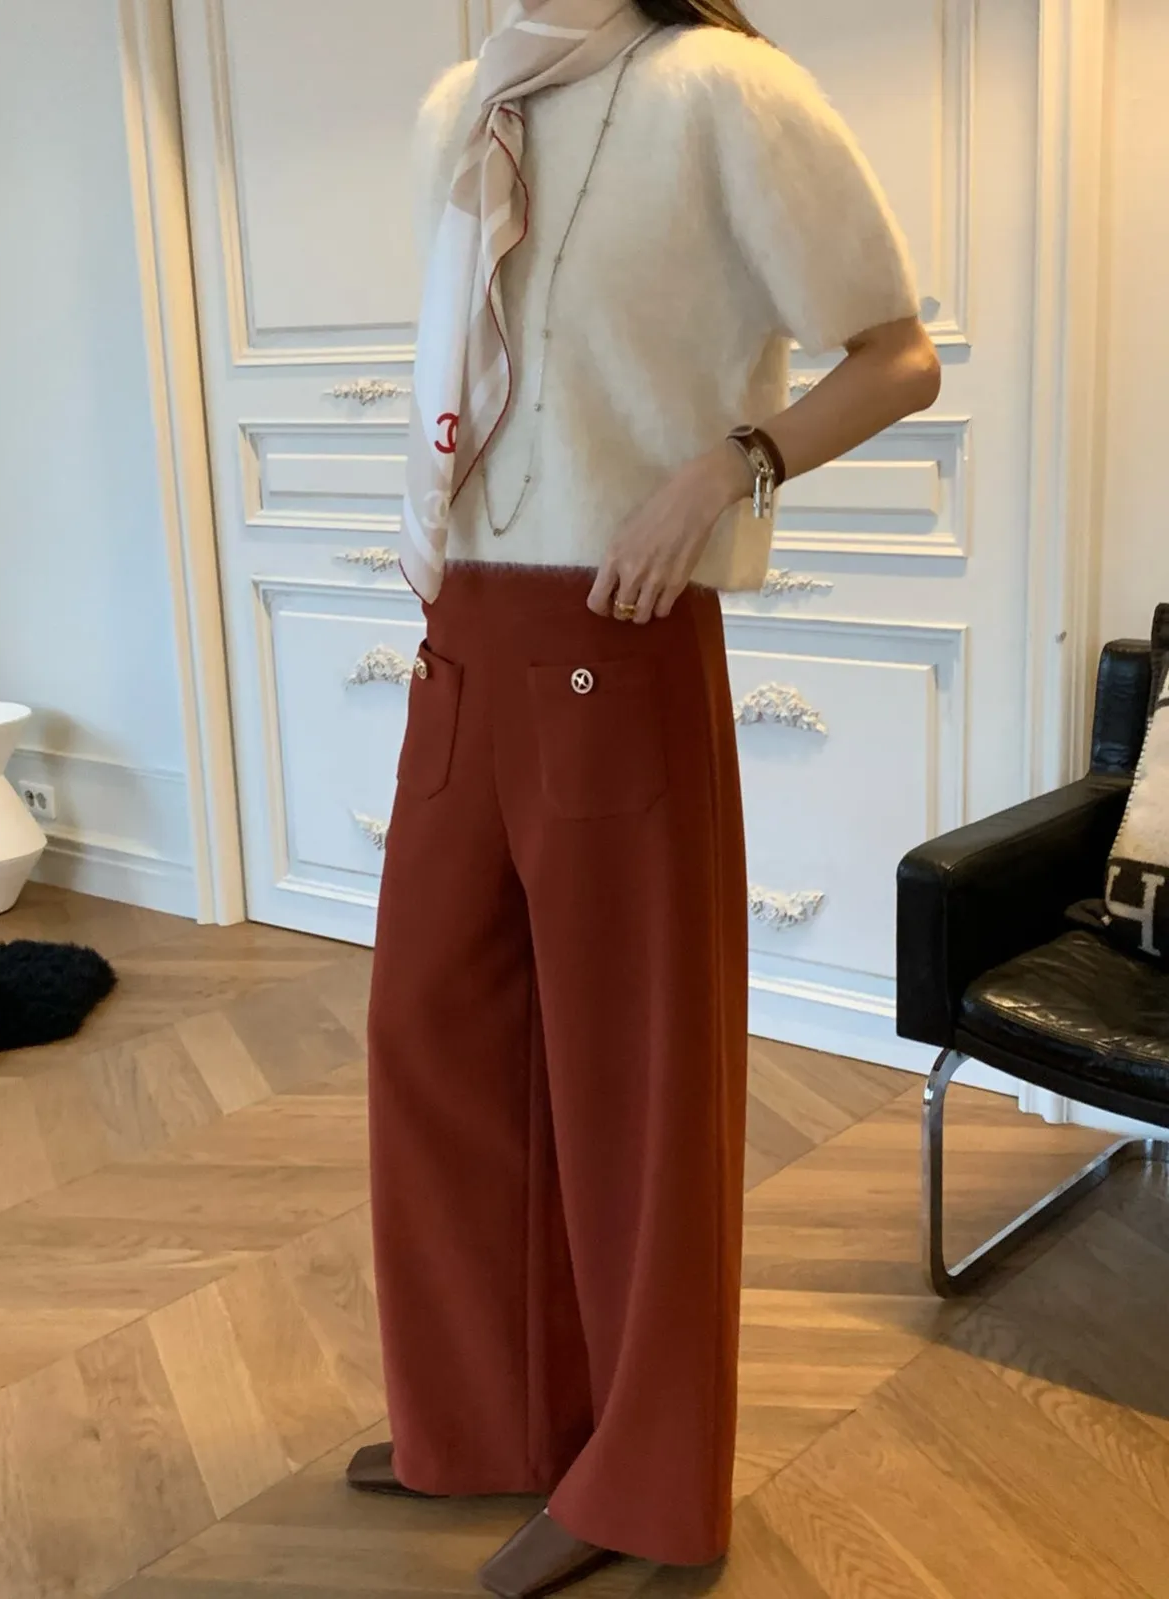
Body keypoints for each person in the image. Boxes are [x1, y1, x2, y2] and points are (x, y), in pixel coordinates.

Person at [349, 2, 940, 1594]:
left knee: (636, 1078)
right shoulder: (459, 110)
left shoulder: (722, 94)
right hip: (464, 629)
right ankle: (481, 1413)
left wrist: (728, 467)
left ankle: (645, 1478)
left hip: (617, 633)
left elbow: (898, 355)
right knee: (427, 1033)